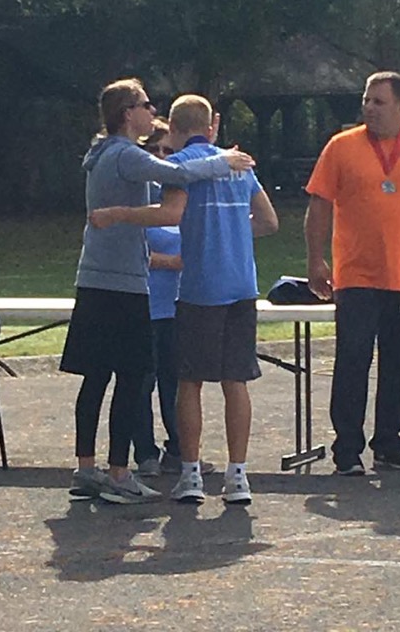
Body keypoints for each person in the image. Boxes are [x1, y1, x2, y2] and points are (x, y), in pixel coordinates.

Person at [60, 78, 255, 504]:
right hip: (123, 281)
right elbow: (178, 175)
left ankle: (86, 468)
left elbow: (157, 197)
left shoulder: (103, 154)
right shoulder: (126, 153)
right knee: (132, 376)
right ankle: (118, 473)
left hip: (94, 277)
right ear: (127, 113)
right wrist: (224, 161)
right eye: (146, 105)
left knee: (96, 376)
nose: (153, 112)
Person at [304, 71, 400, 476]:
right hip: (356, 275)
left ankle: (389, 443)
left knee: (399, 363)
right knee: (352, 361)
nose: (369, 108)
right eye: (366, 101)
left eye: (378, 102)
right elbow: (319, 205)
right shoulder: (341, 146)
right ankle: (347, 449)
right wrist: (316, 260)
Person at [133, 119, 215, 478]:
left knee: (177, 382)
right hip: (145, 303)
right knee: (142, 382)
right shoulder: (136, 195)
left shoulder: (182, 193)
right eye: (154, 150)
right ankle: (144, 453)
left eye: (168, 150)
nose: (161, 157)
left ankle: (180, 450)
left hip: (179, 304)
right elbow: (131, 251)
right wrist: (173, 262)